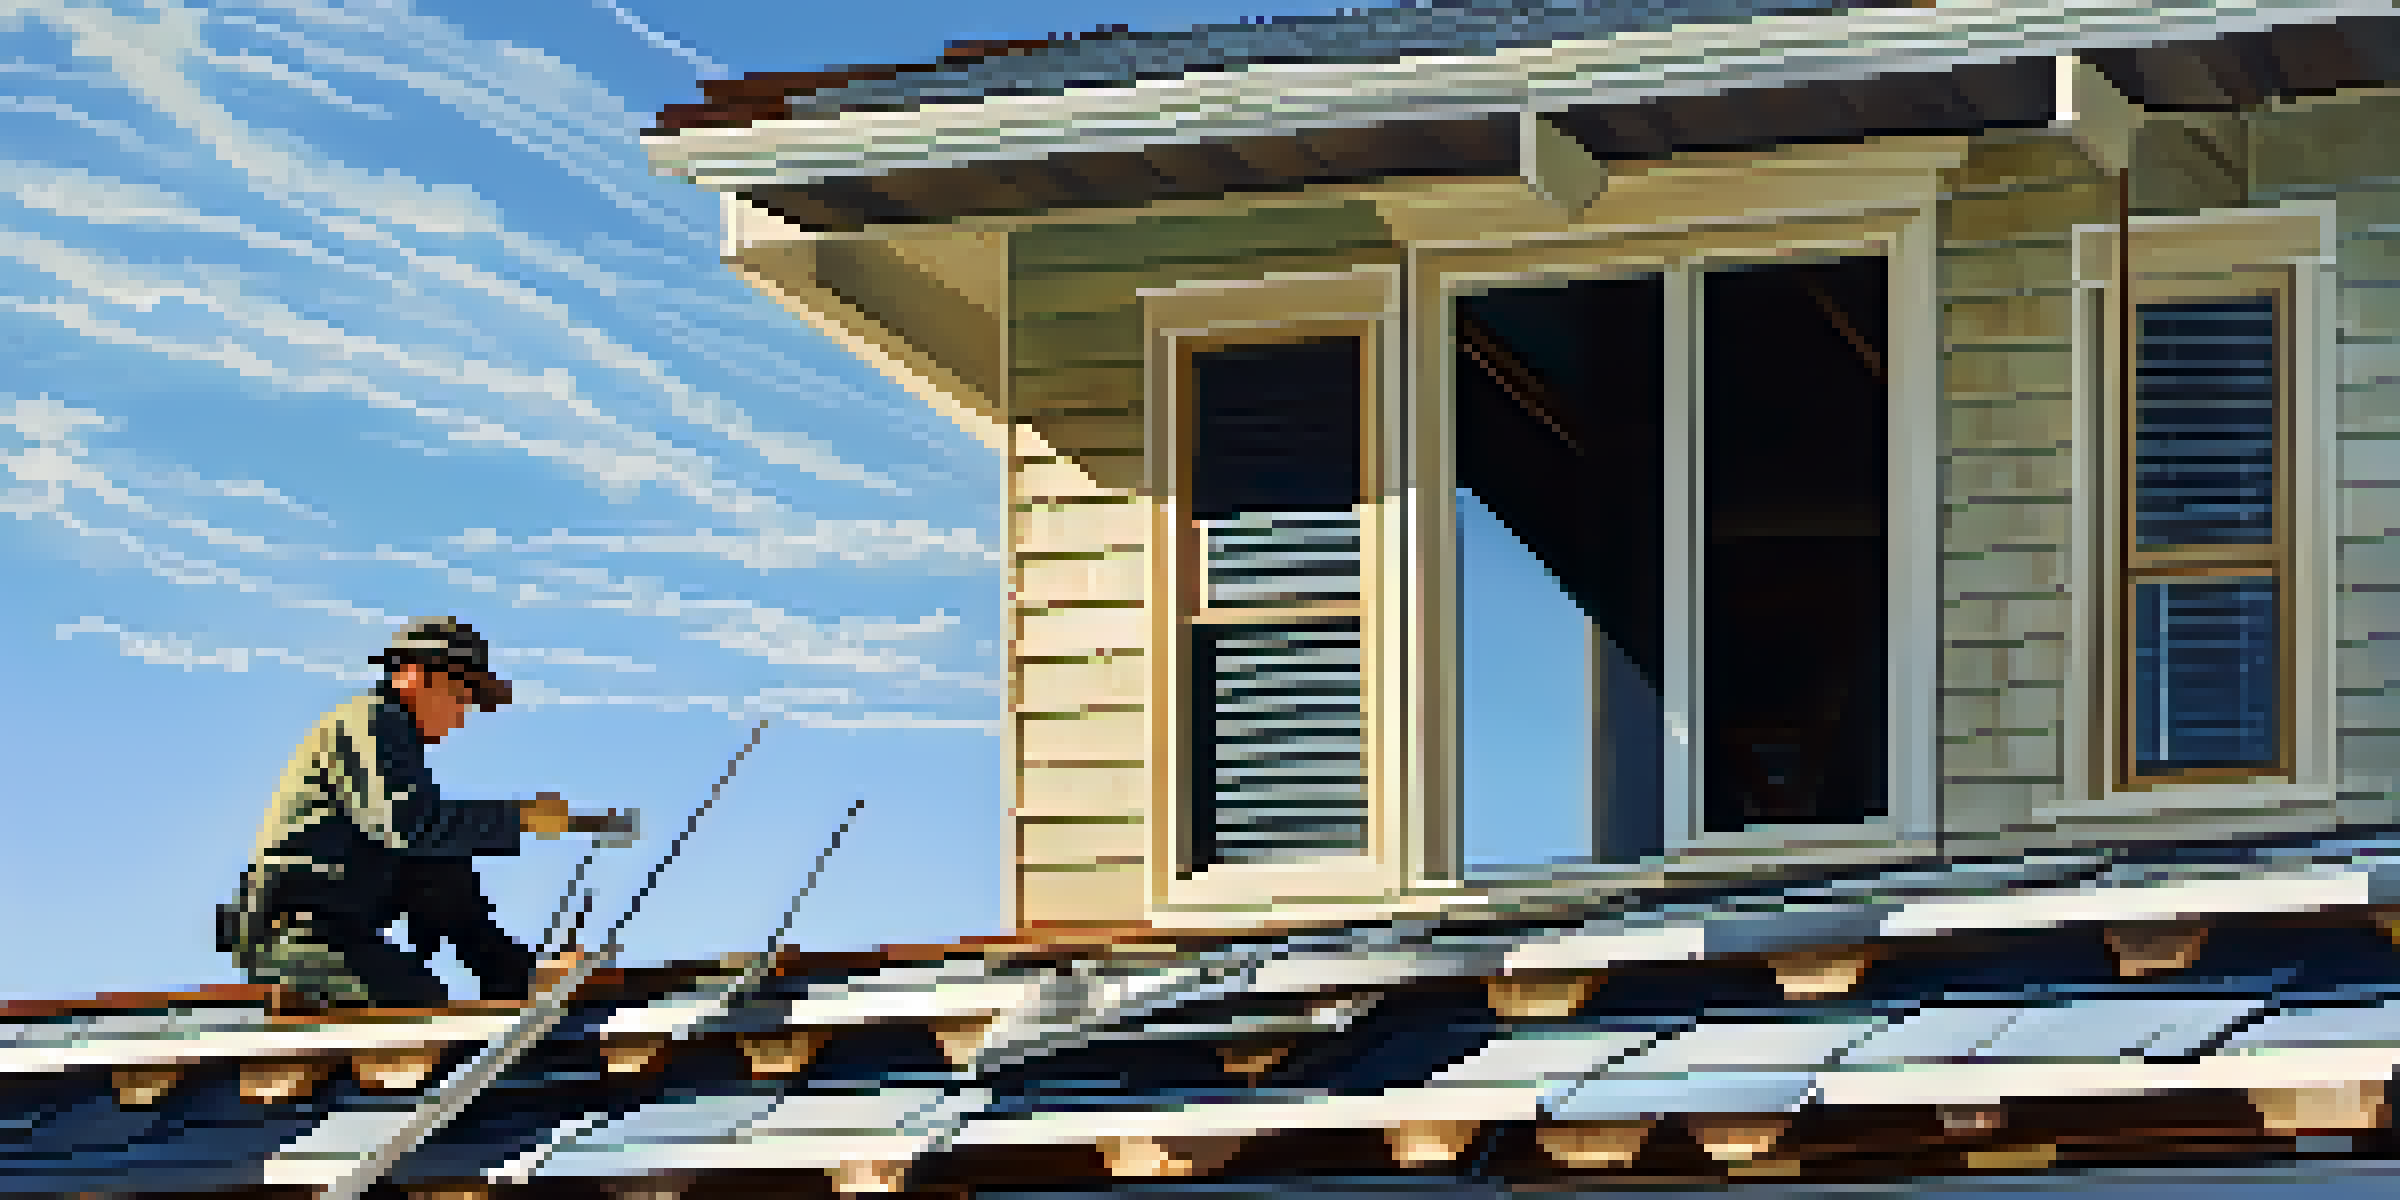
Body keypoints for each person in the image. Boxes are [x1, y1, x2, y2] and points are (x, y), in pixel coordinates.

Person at [221, 617, 595, 1013]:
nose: (461, 717)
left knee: (442, 867)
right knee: (418, 1011)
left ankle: (517, 977)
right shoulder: (372, 720)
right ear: (416, 675)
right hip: (293, 936)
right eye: (460, 697)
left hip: (331, 927)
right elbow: (405, 824)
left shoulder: (390, 737)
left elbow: (430, 860)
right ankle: (516, 979)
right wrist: (519, 818)